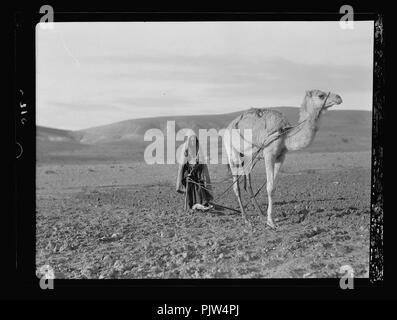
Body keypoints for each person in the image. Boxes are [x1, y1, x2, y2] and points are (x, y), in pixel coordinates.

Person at [176, 134, 213, 211]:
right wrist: (187, 174)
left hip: (197, 176)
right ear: (189, 142)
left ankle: (203, 204)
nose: (193, 142)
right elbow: (183, 166)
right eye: (191, 141)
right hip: (188, 176)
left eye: (194, 141)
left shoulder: (198, 152)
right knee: (192, 185)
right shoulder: (186, 152)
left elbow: (201, 165)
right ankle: (191, 205)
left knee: (200, 186)